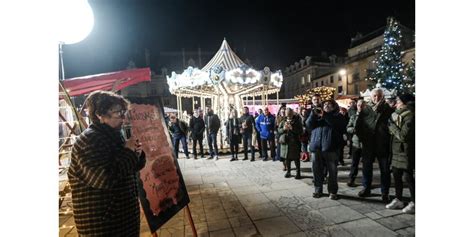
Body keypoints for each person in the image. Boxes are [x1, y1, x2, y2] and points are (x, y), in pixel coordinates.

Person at [68, 91, 146, 236]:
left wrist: (137, 154)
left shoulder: (112, 135)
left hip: (121, 219)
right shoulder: (89, 141)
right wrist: (128, 152)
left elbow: (125, 168)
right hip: (103, 225)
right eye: (118, 113)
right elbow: (104, 178)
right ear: (99, 115)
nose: (123, 117)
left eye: (123, 112)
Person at [356, 88, 394, 202]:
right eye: (374, 96)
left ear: (382, 96)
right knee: (367, 168)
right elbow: (358, 127)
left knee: (385, 170)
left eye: (378, 96)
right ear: (371, 97)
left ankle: (385, 192)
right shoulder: (366, 109)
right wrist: (363, 139)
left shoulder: (388, 110)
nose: (376, 98)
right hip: (368, 144)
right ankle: (366, 188)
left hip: (383, 144)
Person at [306, 99, 346, 200]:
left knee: (332, 171)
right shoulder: (317, 116)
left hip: (331, 148)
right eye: (325, 104)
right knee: (316, 170)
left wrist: (325, 115)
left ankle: (332, 191)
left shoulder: (338, 116)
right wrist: (313, 114)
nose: (327, 106)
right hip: (316, 147)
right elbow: (308, 125)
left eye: (329, 104)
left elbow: (339, 127)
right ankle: (318, 189)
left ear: (334, 106)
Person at [386, 94, 415, 214]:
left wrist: (391, 125)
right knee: (396, 176)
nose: (396, 102)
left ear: (405, 103)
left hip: (405, 151)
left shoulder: (410, 116)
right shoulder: (397, 114)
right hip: (396, 151)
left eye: (398, 100)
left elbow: (403, 136)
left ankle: (414, 202)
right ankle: (399, 199)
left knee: (408, 178)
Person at [278, 107, 303, 179]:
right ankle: (288, 171)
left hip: (294, 143)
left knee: (296, 158)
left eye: (289, 113)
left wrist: (292, 128)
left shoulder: (297, 121)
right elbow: (279, 130)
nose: (288, 115)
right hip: (285, 143)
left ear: (292, 113)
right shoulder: (283, 121)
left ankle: (298, 173)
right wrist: (284, 129)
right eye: (287, 113)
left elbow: (301, 131)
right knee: (287, 158)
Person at [346, 99, 365, 187]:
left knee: (366, 164)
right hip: (356, 144)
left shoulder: (369, 116)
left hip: (366, 144)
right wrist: (354, 130)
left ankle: (366, 182)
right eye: (358, 105)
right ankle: (351, 179)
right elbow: (348, 128)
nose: (360, 107)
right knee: (354, 163)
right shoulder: (353, 116)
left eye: (362, 105)